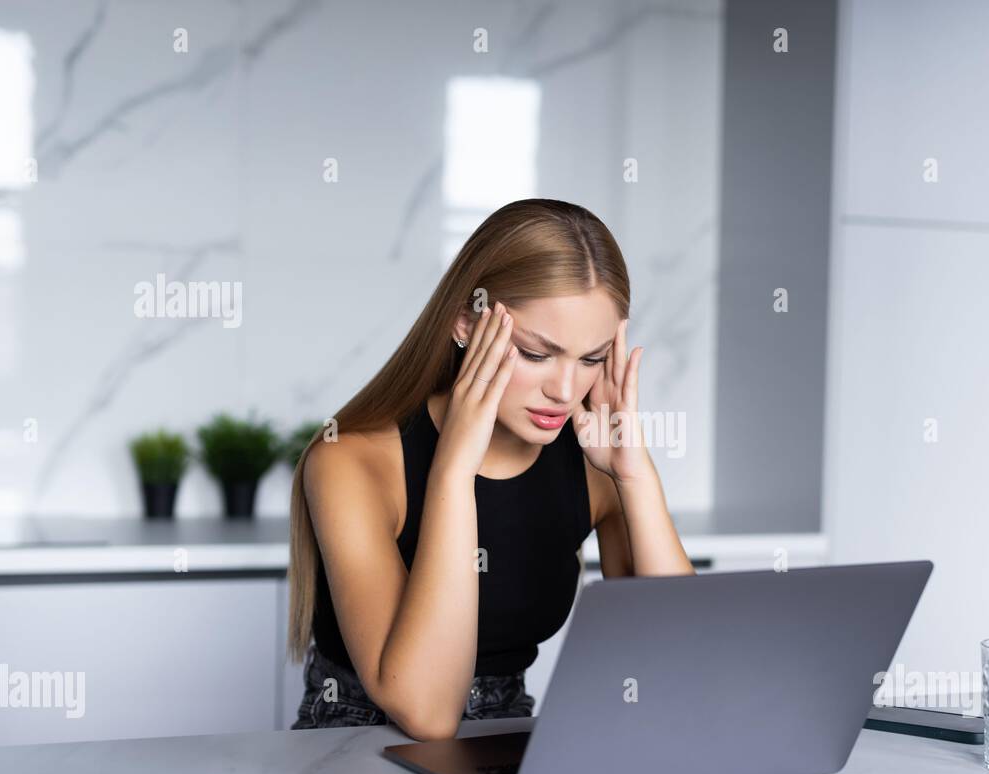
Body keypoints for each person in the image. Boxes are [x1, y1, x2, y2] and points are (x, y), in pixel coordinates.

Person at [287, 198, 695, 737]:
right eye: (535, 353)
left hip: (508, 734)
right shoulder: (350, 462)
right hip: (353, 741)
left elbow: (687, 670)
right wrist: (455, 470)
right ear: (465, 322)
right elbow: (428, 714)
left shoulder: (595, 462)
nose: (566, 390)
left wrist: (635, 476)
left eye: (592, 359)